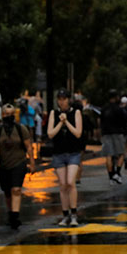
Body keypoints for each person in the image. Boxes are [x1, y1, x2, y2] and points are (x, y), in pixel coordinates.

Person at [0, 104, 35, 229]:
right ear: (2, 115)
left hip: (19, 163)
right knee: (8, 192)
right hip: (3, 165)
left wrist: (32, 162)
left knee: (16, 189)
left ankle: (15, 216)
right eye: (6, 114)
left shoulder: (21, 129)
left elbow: (29, 146)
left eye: (11, 114)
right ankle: (10, 213)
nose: (9, 117)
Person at [48, 90, 84, 226]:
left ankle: (74, 214)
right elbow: (50, 134)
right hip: (58, 153)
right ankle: (65, 214)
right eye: (59, 99)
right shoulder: (53, 113)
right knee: (63, 185)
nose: (62, 101)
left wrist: (67, 122)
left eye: (64, 99)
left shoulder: (76, 113)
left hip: (73, 152)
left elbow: (78, 133)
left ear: (69, 100)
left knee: (70, 182)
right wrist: (59, 122)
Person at [100, 90, 127, 185]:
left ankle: (110, 176)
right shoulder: (119, 109)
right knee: (121, 153)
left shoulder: (104, 109)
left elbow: (100, 121)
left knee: (108, 155)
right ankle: (117, 172)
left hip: (106, 133)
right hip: (118, 133)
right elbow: (125, 120)